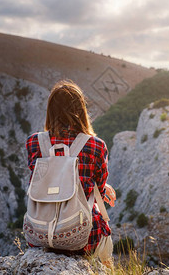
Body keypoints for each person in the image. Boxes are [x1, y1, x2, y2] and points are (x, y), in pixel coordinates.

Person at [25, 79, 113, 266]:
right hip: (83, 239)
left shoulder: (34, 143)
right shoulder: (96, 146)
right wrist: (104, 189)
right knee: (106, 240)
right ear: (81, 111)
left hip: (40, 235)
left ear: (50, 110)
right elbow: (97, 191)